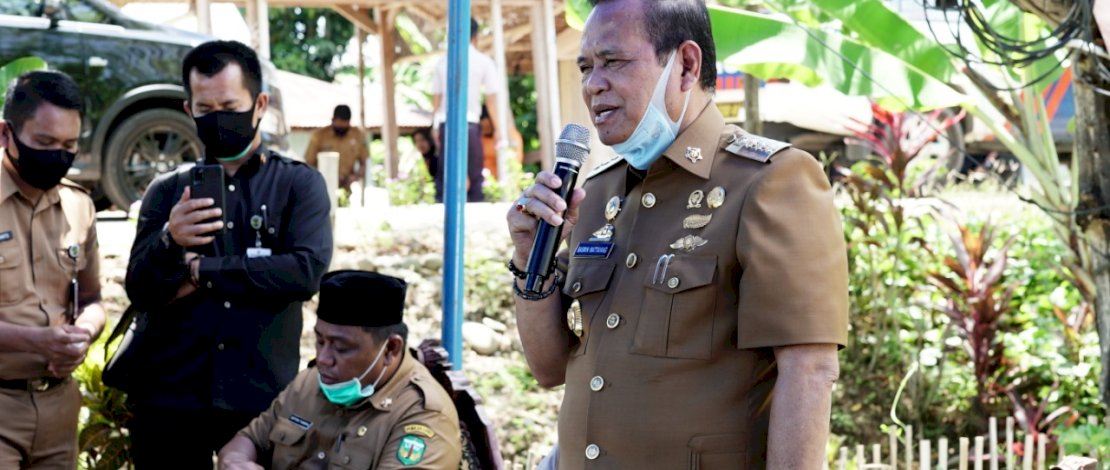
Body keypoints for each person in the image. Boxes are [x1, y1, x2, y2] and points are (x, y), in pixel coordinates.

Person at [504, 0, 849, 468]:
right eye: (585, 67)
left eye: (613, 62)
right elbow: (547, 368)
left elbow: (808, 370)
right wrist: (531, 260)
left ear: (685, 65)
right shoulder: (599, 192)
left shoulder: (769, 181)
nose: (592, 84)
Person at [123, 40, 333, 469]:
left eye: (229, 104)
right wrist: (170, 239)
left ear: (259, 104)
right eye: (205, 108)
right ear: (189, 110)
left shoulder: (299, 185)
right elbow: (139, 290)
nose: (217, 117)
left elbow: (303, 272)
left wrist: (202, 271)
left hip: (257, 400)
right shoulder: (166, 192)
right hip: (169, 398)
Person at [217, 270, 461, 470]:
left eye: (342, 348)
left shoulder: (423, 415)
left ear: (390, 349)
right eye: (320, 341)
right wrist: (235, 461)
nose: (323, 359)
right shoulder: (311, 382)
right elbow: (249, 439)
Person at [0, 70, 105, 469]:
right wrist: (36, 340)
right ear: (5, 134)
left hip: (59, 408)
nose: (57, 155)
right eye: (44, 143)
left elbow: (93, 299)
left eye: (69, 145)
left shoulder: (80, 205)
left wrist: (82, 335)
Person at [431, 18, 501, 203]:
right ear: (476, 36)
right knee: (475, 173)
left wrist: (434, 126)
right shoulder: (484, 61)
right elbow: (491, 99)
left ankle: (442, 211)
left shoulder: (441, 63)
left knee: (446, 172)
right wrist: (499, 128)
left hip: (447, 123)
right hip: (471, 124)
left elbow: (436, 100)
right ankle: (475, 211)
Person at [304, 104, 370, 191]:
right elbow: (309, 163)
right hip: (323, 185)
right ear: (333, 120)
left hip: (347, 187)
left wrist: (355, 177)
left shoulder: (358, 135)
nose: (341, 128)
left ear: (349, 122)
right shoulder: (319, 136)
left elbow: (363, 162)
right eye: (339, 125)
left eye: (344, 125)